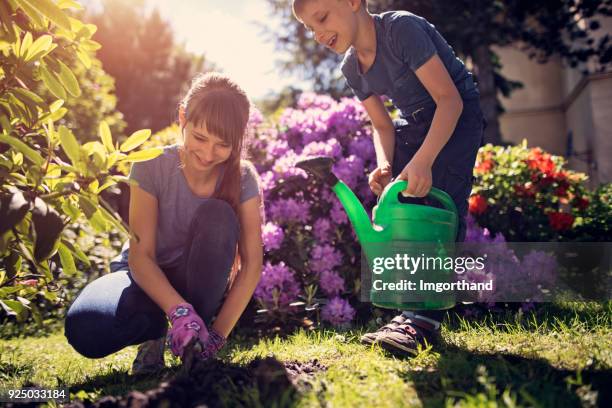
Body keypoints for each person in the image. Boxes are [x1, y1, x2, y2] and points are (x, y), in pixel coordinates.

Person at [293, 0, 485, 356]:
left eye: (321, 18)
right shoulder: (352, 67)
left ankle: (423, 322)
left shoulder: (401, 30)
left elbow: (450, 101)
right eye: (310, 29)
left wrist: (424, 160)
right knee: (401, 207)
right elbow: (382, 125)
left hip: (456, 116)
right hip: (414, 124)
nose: (318, 35)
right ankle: (409, 313)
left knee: (435, 208)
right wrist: (384, 165)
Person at [64, 72, 263, 373]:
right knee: (86, 328)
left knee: (218, 217)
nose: (208, 154)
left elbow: (251, 266)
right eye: (199, 137)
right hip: (143, 277)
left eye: (222, 144)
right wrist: (177, 310)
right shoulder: (150, 163)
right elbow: (141, 256)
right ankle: (156, 334)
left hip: (197, 282)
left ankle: (197, 336)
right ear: (183, 117)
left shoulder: (244, 177)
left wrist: (217, 337)